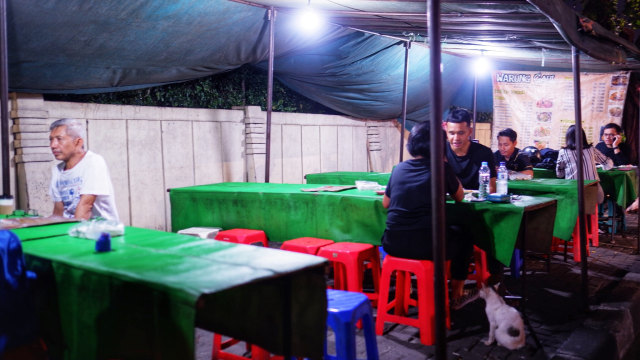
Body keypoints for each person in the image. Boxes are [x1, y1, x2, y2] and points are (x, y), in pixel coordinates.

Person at [381, 122, 477, 310]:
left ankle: (404, 291)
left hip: (392, 244)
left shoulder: (399, 169)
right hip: (429, 247)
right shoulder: (442, 168)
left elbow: (386, 203)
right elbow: (459, 197)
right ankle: (456, 295)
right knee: (465, 233)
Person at [49, 118, 119, 221]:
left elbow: (85, 207)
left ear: (78, 142)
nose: (53, 145)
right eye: (51, 139)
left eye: (59, 139)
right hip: (71, 228)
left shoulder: (93, 162)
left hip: (101, 231)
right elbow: (58, 212)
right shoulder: (57, 171)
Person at [556, 125, 613, 203]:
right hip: (594, 193)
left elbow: (559, 174)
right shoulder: (591, 149)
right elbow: (608, 163)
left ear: (568, 138)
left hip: (573, 192)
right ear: (583, 136)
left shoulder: (563, 152)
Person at [444, 108, 497, 192]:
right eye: (452, 133)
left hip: (477, 200)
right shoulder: (440, 152)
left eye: (461, 133)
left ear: (470, 131)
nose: (456, 138)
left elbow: (491, 188)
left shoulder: (484, 152)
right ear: (446, 132)